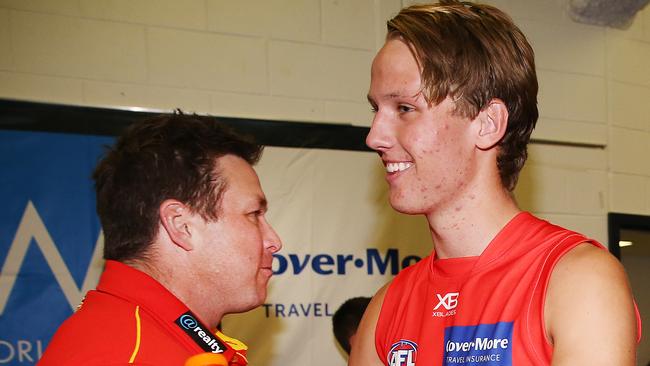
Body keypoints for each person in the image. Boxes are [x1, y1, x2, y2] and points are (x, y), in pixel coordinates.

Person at [351, 1, 641, 365]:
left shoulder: (575, 281)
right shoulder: (386, 308)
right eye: (375, 110)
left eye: (405, 109)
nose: (374, 136)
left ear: (487, 124)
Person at [39, 113, 282, 365]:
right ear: (181, 225)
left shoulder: (153, 337)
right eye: (254, 214)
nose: (274, 241)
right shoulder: (124, 356)